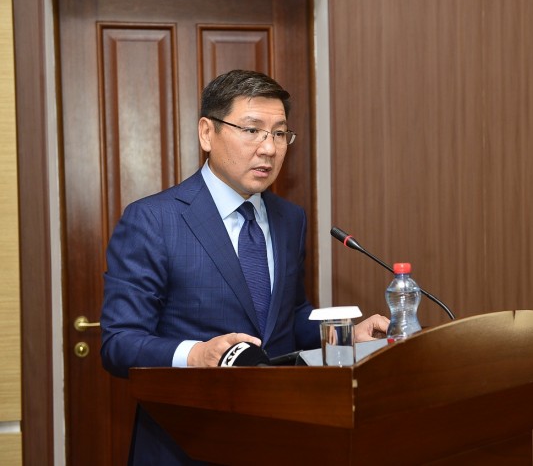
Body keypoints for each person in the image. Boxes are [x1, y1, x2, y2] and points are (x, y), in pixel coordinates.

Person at [100, 69, 389, 465]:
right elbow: (118, 343)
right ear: (207, 133)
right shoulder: (153, 220)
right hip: (186, 441)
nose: (269, 148)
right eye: (252, 130)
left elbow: (287, 318)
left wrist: (345, 336)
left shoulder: (290, 219)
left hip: (277, 436)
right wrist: (197, 355)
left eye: (280, 134)